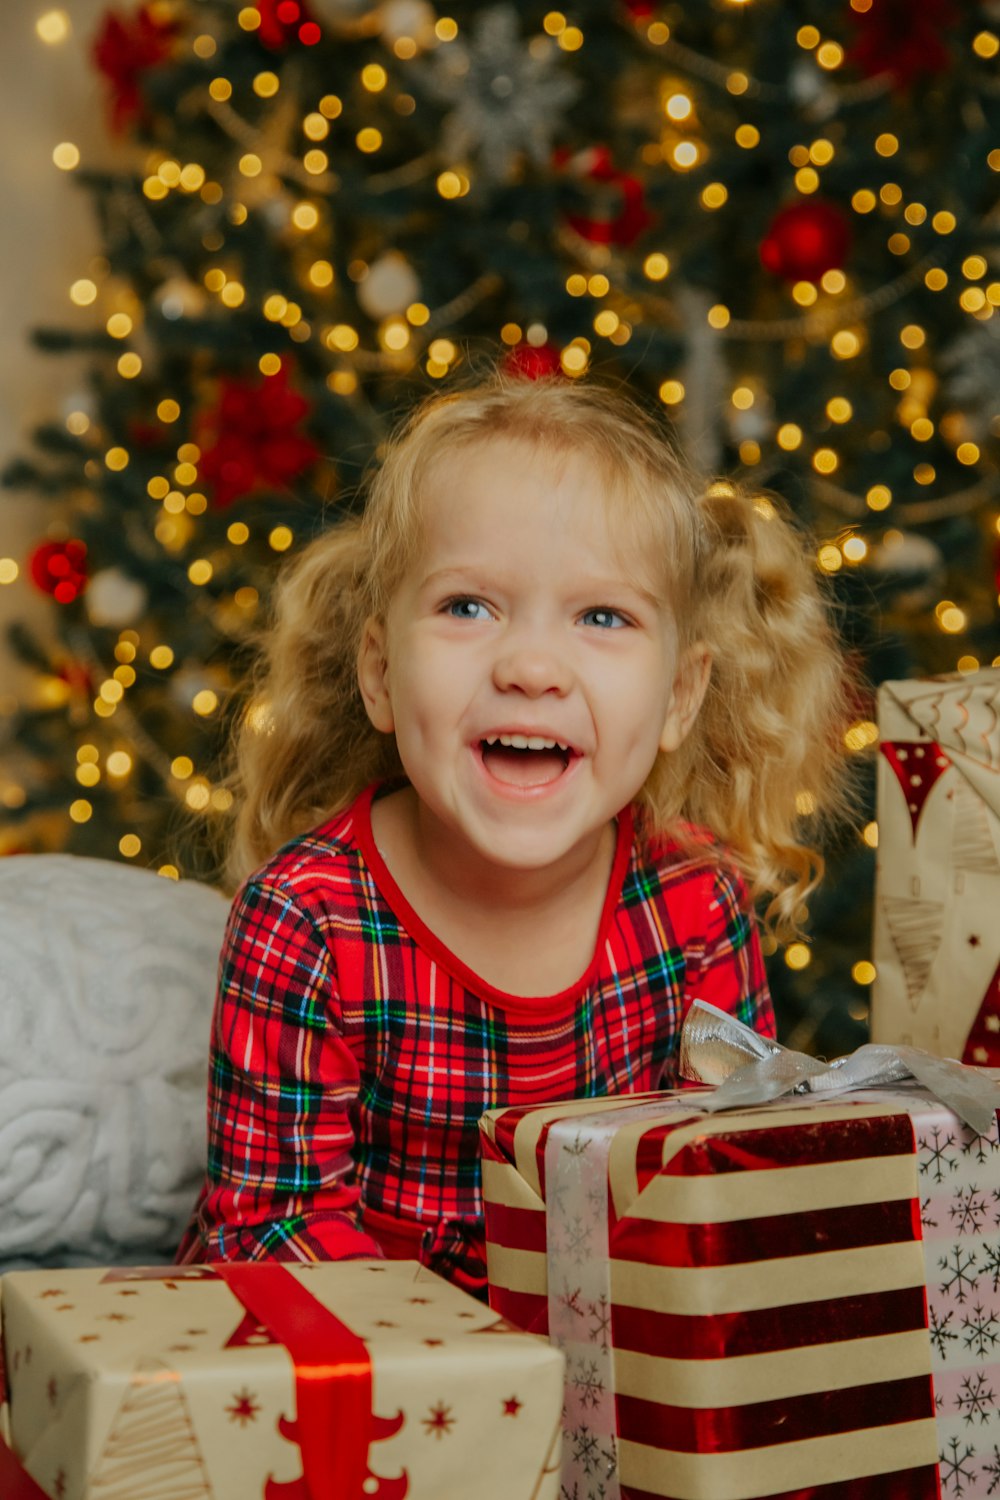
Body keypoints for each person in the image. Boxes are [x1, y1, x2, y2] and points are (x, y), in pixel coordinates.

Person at [177, 374, 853, 1295]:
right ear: (379, 673)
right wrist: (483, 1388)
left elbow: (715, 1189)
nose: (532, 667)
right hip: (372, 1373)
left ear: (678, 699)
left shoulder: (696, 902)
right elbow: (273, 1228)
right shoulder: (306, 919)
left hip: (608, 1352)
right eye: (467, 607)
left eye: (601, 616)